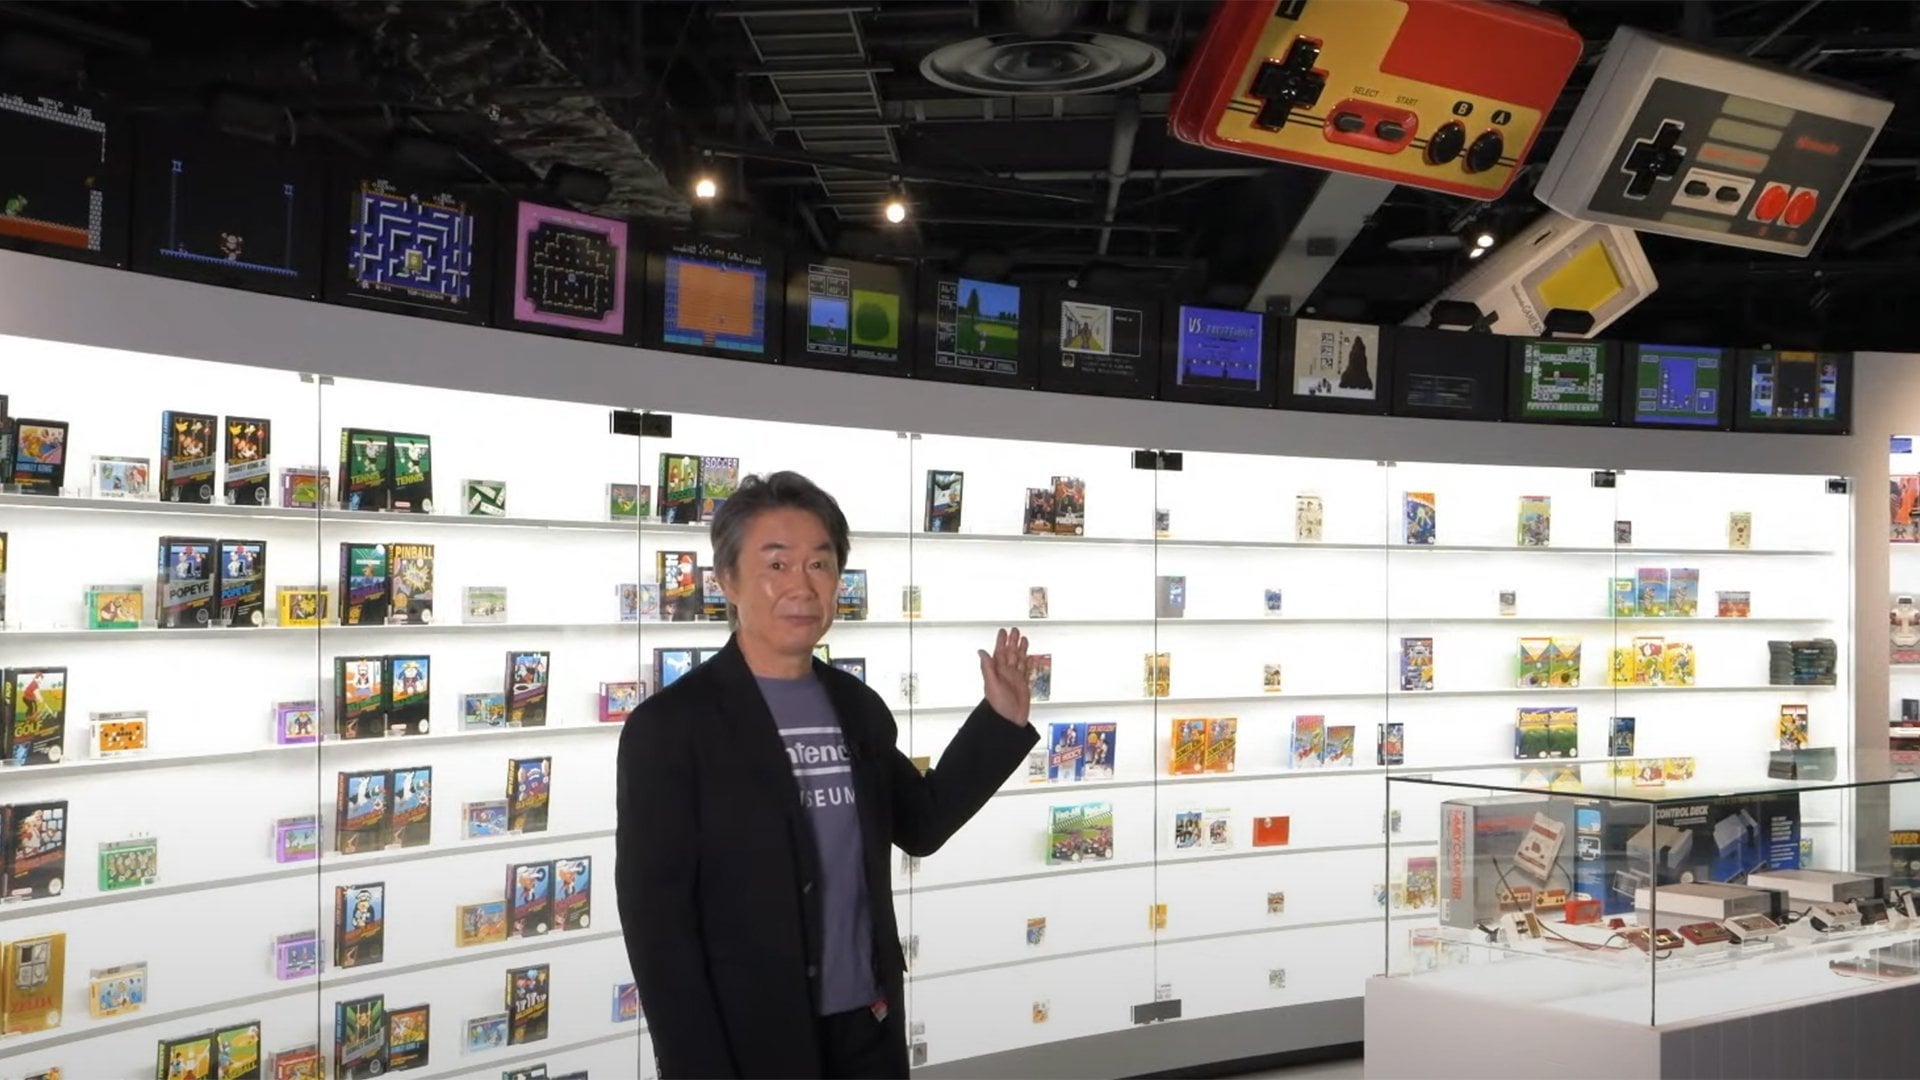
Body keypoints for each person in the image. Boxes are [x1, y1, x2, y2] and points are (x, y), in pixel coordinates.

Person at [617, 470, 1038, 1079]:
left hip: (867, 1024)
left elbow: (921, 823)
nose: (802, 585)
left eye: (820, 564)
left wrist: (1000, 721)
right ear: (727, 580)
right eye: (777, 564)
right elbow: (658, 927)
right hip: (749, 1040)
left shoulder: (855, 705)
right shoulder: (671, 728)